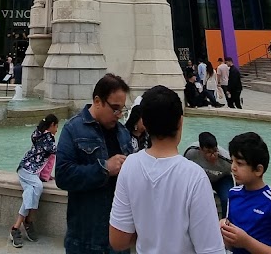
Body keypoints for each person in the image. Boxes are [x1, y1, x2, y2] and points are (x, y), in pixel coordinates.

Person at [109, 86, 223, 254]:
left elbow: (118, 241)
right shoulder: (194, 176)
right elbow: (211, 250)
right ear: (180, 122)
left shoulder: (130, 166)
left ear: (145, 124)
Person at [55, 73, 133, 254]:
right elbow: (63, 175)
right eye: (114, 109)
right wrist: (104, 168)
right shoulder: (72, 129)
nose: (119, 115)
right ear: (98, 101)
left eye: (122, 109)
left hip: (118, 241)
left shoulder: (123, 132)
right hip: (84, 241)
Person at [221, 132, 271, 254]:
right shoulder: (233, 194)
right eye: (232, 161)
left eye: (239, 163)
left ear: (258, 170)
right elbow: (232, 244)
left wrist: (246, 242)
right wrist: (224, 230)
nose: (233, 167)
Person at [9, 114, 59, 247]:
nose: (57, 129)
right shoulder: (48, 138)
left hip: (26, 169)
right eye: (57, 126)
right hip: (27, 170)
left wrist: (46, 176)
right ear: (52, 124)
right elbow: (56, 151)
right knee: (38, 186)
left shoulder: (39, 133)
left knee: (30, 191)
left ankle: (16, 227)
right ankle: (29, 221)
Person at [184, 131, 234, 218]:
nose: (213, 155)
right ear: (201, 149)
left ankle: (225, 223)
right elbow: (183, 169)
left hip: (222, 179)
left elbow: (238, 173)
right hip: (201, 179)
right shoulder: (191, 152)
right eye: (208, 152)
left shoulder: (226, 159)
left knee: (227, 198)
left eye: (215, 151)